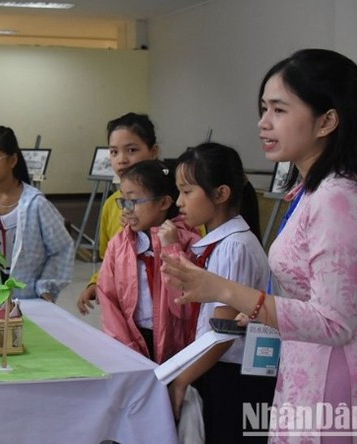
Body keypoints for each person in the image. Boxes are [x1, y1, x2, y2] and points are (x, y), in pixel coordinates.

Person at [164, 48, 357, 442]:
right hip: (308, 367)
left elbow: (334, 321)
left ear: (327, 121)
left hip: (333, 378)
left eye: (279, 110)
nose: (263, 123)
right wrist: (262, 312)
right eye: (264, 109)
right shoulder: (314, 191)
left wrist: (224, 290)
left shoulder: (336, 199)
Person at [162, 143, 274, 441]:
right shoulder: (226, 242)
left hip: (235, 375)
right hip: (223, 368)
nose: (179, 202)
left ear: (221, 194)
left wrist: (182, 380)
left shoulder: (233, 247)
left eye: (187, 192)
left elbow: (224, 333)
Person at [96, 160, 200, 363]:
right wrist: (126, 347)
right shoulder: (119, 243)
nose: (126, 209)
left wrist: (172, 250)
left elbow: (186, 307)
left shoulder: (189, 242)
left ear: (164, 203)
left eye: (133, 201)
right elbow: (108, 298)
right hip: (130, 341)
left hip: (177, 348)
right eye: (123, 201)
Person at [0, 126, 73, 301]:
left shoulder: (35, 204)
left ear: (12, 160)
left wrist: (46, 287)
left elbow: (62, 248)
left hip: (30, 298)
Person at [77, 113, 161, 314]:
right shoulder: (111, 205)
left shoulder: (172, 200)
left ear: (153, 152)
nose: (122, 160)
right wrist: (95, 283)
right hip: (125, 312)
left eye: (131, 150)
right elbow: (108, 259)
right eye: (114, 152)